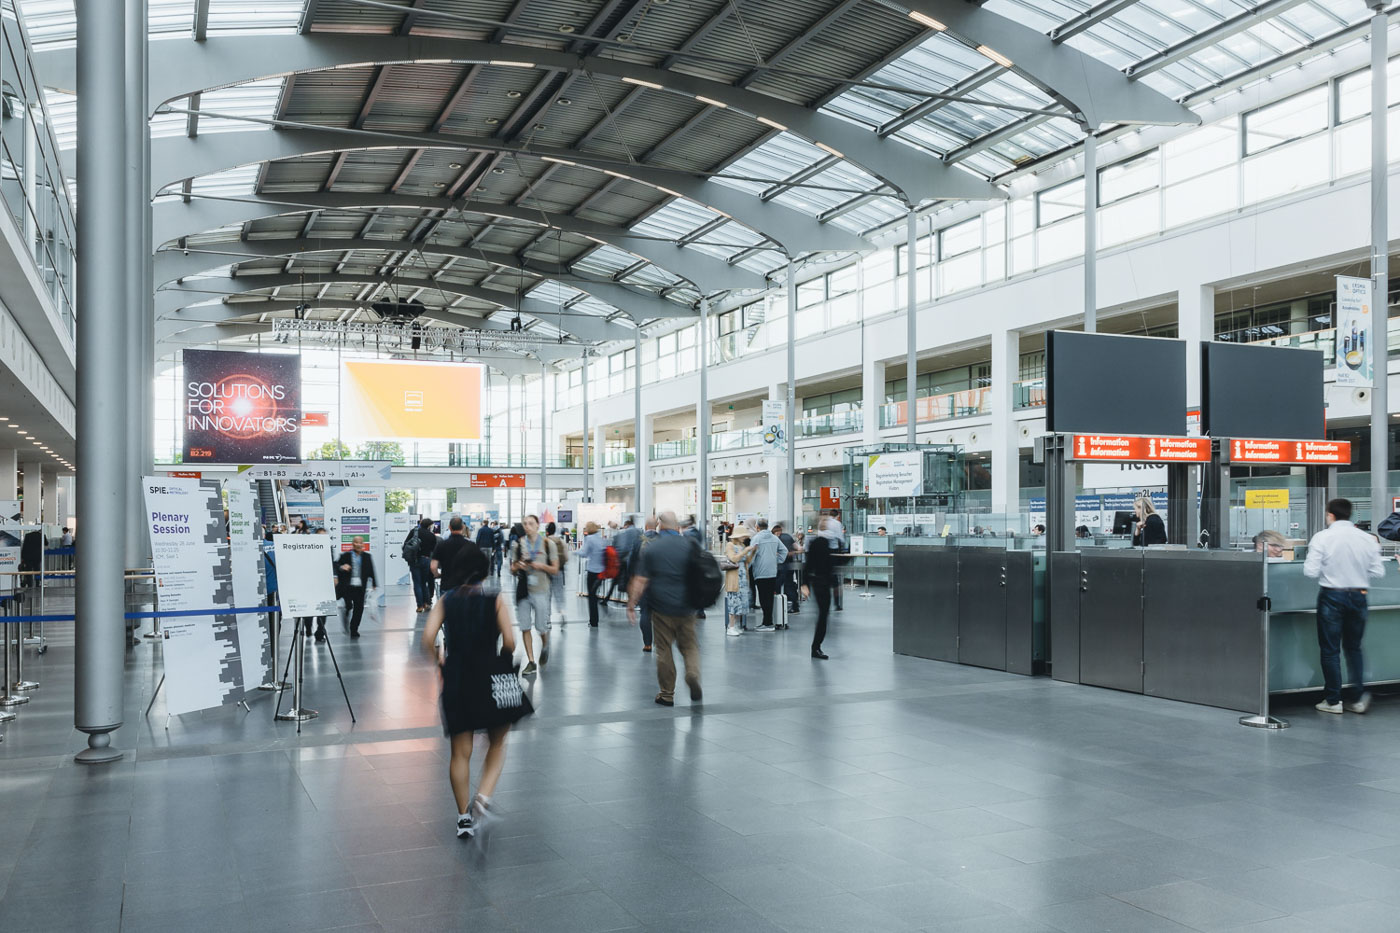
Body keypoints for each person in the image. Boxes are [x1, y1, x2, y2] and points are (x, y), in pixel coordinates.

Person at [421, 543, 527, 840]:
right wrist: (500, 658)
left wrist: (439, 661)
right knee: (496, 742)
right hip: (490, 676)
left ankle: (463, 817)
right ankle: (483, 798)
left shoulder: (446, 600)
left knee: (460, 751)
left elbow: (428, 638)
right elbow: (510, 641)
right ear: (483, 570)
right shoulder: (495, 600)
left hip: (457, 677)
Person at [1303, 498, 1384, 714]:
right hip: (1359, 596)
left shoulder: (1322, 537)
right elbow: (1378, 571)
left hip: (1332, 595)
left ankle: (1333, 701)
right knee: (1354, 648)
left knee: (1330, 650)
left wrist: (1333, 570)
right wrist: (1355, 571)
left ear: (1330, 514)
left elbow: (1310, 571)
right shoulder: (1366, 539)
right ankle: (1357, 699)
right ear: (1350, 515)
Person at [628, 511, 702, 707]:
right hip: (687, 606)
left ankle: (667, 694)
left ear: (660, 525)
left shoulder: (653, 547)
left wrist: (631, 604)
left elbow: (641, 579)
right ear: (677, 526)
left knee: (664, 649)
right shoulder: (690, 545)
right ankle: (692, 674)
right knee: (689, 646)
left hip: (661, 607)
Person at [511, 515, 558, 676]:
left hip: (541, 590)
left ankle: (545, 645)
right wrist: (519, 565)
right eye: (525, 524)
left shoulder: (547, 544)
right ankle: (531, 661)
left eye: (531, 523)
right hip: (523, 591)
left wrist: (541, 566)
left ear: (538, 525)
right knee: (525, 626)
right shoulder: (517, 544)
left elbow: (555, 569)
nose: (527, 526)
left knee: (540, 627)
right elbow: (512, 568)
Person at [802, 518, 839, 659]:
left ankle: (816, 647)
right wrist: (804, 583)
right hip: (820, 583)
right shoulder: (821, 542)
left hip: (820, 582)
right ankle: (816, 647)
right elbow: (812, 563)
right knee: (823, 615)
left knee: (823, 615)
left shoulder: (823, 542)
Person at [748, 518, 788, 632]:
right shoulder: (774, 538)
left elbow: (752, 555)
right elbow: (784, 551)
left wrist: (747, 566)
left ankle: (767, 623)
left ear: (757, 527)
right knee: (769, 597)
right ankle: (768, 621)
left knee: (763, 597)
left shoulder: (756, 538)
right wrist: (777, 560)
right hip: (772, 571)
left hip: (760, 572)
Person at [333, 536, 377, 639]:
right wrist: (342, 567)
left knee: (359, 608)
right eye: (356, 542)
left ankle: (354, 629)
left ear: (363, 544)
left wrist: (374, 582)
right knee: (349, 606)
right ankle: (346, 614)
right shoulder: (345, 555)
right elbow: (336, 564)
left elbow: (371, 570)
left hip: (360, 587)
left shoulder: (367, 557)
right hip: (348, 587)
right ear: (353, 544)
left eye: (361, 542)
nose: (359, 544)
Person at [432, 517, 479, 595]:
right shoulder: (470, 545)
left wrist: (438, 575)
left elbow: (433, 566)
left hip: (447, 585)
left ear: (449, 527)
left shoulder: (441, 545)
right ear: (463, 527)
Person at [723, 525, 754, 637]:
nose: (744, 538)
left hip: (743, 579)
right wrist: (745, 551)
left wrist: (752, 552)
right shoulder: (730, 545)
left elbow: (747, 561)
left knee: (740, 603)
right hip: (734, 579)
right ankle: (730, 627)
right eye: (742, 536)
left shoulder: (741, 546)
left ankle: (735, 625)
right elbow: (733, 558)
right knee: (733, 603)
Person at [578, 521, 607, 626]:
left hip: (592, 571)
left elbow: (584, 553)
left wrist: (574, 552)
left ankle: (593, 621)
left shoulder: (589, 539)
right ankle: (595, 620)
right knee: (594, 595)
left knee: (592, 597)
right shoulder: (601, 538)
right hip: (601, 572)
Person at [409, 517, 439, 613]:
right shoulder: (431, 535)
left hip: (414, 560)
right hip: (426, 560)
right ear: (429, 526)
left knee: (417, 583)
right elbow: (433, 549)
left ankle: (419, 606)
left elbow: (406, 544)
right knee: (424, 583)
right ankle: (426, 603)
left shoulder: (413, 532)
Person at [607, 517, 640, 603]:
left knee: (619, 580)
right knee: (628, 580)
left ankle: (607, 598)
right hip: (632, 560)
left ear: (627, 525)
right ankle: (631, 601)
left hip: (624, 559)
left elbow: (621, 546)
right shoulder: (638, 531)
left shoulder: (624, 533)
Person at [544, 521, 570, 623]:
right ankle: (562, 612)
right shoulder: (561, 541)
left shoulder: (544, 541)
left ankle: (548, 620)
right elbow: (566, 557)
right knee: (559, 594)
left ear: (546, 531)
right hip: (559, 571)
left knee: (547, 595)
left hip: (546, 571)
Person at [774, 522, 801, 614]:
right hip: (790, 566)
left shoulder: (776, 538)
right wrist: (792, 553)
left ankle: (778, 607)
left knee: (777, 586)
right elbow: (798, 548)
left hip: (780, 567)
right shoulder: (788, 536)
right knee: (789, 586)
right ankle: (794, 606)